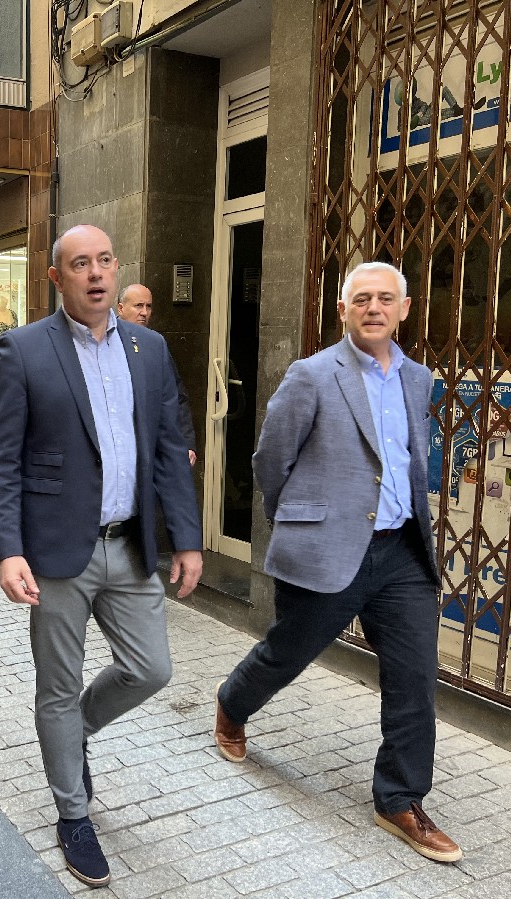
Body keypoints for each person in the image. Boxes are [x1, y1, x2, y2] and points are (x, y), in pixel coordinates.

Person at [213, 261, 461, 863]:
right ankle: (232, 704)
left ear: (405, 309)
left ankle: (399, 799)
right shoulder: (313, 374)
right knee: (287, 652)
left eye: (386, 299)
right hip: (330, 548)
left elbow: (408, 460)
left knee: (414, 678)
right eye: (362, 299)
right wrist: (299, 520)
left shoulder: (418, 379)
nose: (374, 308)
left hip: (401, 552)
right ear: (343, 310)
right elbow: (270, 458)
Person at [0, 225, 203, 887]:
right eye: (81, 264)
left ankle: (71, 732)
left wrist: (186, 538)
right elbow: (0, 460)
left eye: (105, 260)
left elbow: (169, 449)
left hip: (130, 546)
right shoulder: (24, 349)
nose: (97, 273)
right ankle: (73, 813)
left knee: (151, 668)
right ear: (57, 278)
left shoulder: (149, 348)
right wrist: (7, 550)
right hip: (56, 553)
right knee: (57, 685)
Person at [117, 283, 197, 464]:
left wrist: (187, 442)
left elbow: (176, 395)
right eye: (138, 306)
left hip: (151, 446)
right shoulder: (105, 341)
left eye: (149, 306)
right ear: (121, 308)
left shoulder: (155, 345)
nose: (144, 312)